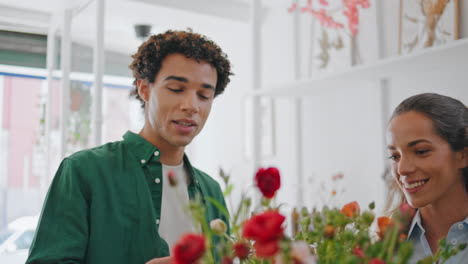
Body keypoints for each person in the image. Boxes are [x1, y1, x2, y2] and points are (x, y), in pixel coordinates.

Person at [27, 29, 233, 264]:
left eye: (204, 95)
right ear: (144, 89)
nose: (192, 105)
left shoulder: (211, 190)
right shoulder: (84, 171)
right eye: (176, 89)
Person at [386, 93, 467, 263]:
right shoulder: (387, 244)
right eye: (395, 156)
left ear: (463, 155)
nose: (402, 169)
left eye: (421, 151)